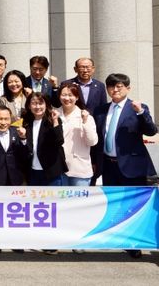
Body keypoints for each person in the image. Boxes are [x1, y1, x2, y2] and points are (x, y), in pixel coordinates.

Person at [93, 73, 157, 259]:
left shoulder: (137, 108)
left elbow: (151, 130)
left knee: (133, 205)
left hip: (132, 165)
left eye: (119, 86)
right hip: (108, 164)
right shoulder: (101, 110)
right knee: (113, 203)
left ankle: (133, 243)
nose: (115, 90)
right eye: (111, 86)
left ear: (128, 88)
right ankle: (115, 237)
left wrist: (141, 112)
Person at [58, 57, 108, 185]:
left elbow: (103, 108)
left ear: (93, 69)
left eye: (88, 67)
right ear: (75, 69)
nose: (85, 70)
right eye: (82, 67)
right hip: (71, 127)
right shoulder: (67, 84)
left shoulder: (99, 86)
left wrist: (89, 121)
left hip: (90, 126)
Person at [19, 92, 67, 186]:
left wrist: (55, 121)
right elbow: (24, 148)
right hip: (32, 171)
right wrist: (23, 138)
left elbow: (59, 141)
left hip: (51, 170)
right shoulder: (26, 122)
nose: (37, 106)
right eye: (34, 103)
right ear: (29, 106)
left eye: (41, 103)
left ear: (46, 105)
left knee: (53, 196)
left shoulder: (53, 120)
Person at [56, 83, 98, 186]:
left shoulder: (86, 117)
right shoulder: (54, 114)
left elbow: (92, 142)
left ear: (77, 97)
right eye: (64, 95)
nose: (67, 98)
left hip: (79, 169)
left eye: (70, 95)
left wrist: (85, 122)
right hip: (58, 168)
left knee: (79, 197)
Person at [0, 106, 28, 186]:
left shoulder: (17, 132)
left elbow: (25, 155)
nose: (3, 122)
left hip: (16, 179)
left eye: (6, 119)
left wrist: (23, 138)